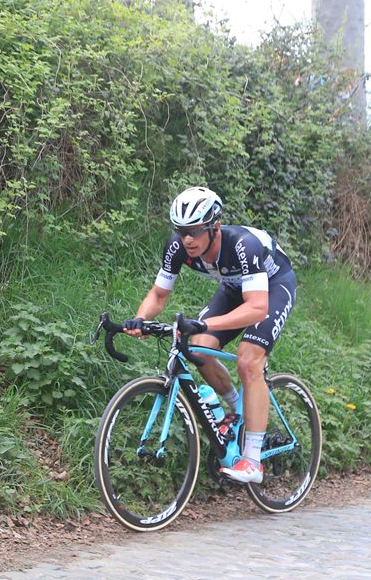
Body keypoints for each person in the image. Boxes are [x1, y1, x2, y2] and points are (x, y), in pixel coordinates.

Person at [123, 187, 297, 484]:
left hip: (273, 284)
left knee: (248, 361)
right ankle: (238, 406)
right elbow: (159, 293)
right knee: (199, 350)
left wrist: (205, 323)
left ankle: (253, 460)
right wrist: (140, 318)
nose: (187, 239)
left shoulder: (243, 245)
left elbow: (256, 307)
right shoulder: (178, 247)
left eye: (194, 231)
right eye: (180, 230)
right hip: (233, 286)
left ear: (214, 226)